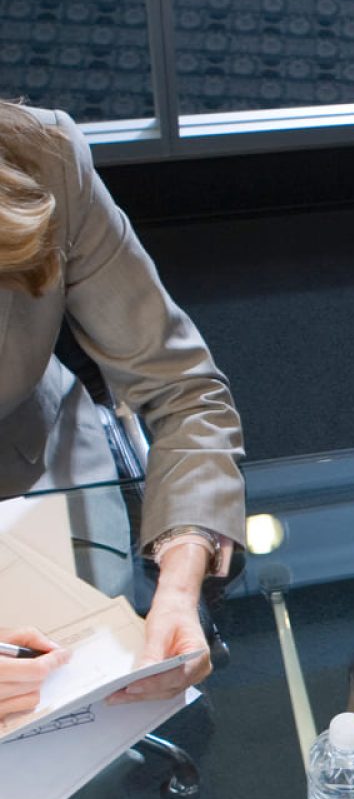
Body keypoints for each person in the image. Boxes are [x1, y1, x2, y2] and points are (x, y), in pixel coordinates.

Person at [0, 102, 245, 711]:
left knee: (82, 705)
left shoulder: (42, 158)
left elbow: (183, 386)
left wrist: (180, 586)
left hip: (30, 457)